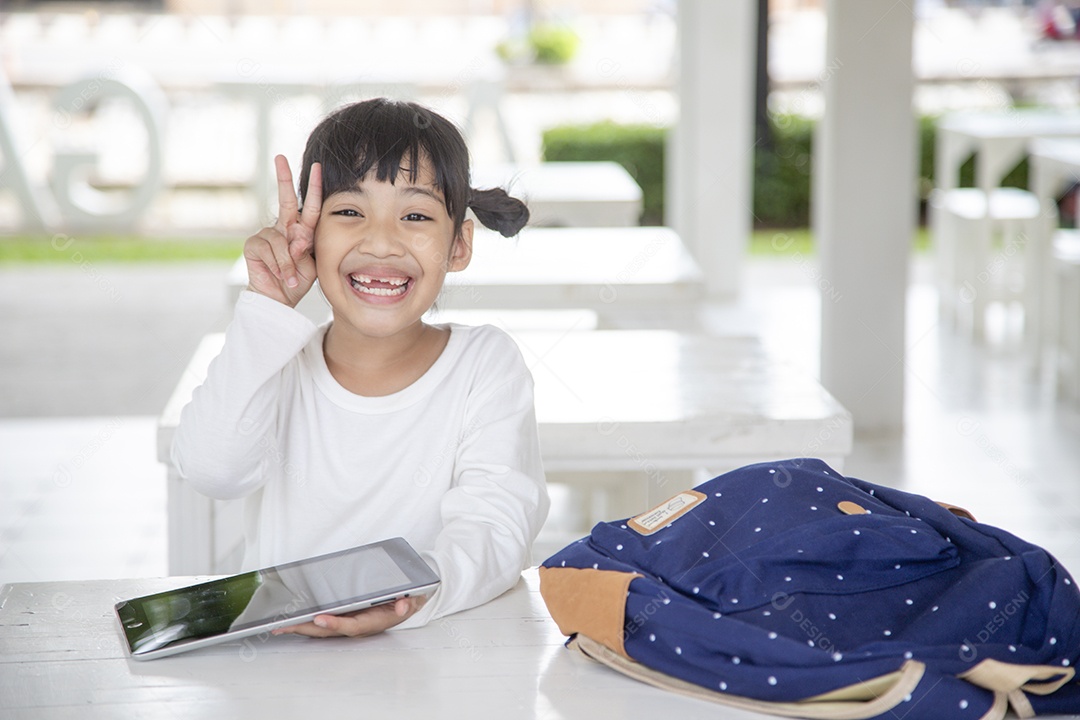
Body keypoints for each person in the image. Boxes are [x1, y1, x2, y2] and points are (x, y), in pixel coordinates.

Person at [171, 98, 550, 638]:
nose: (380, 241)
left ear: (459, 244)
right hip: (285, 671)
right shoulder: (273, 358)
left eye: (415, 216)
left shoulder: (485, 365)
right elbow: (211, 469)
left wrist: (413, 595)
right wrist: (267, 310)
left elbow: (496, 528)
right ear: (308, 233)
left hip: (435, 663)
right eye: (349, 212)